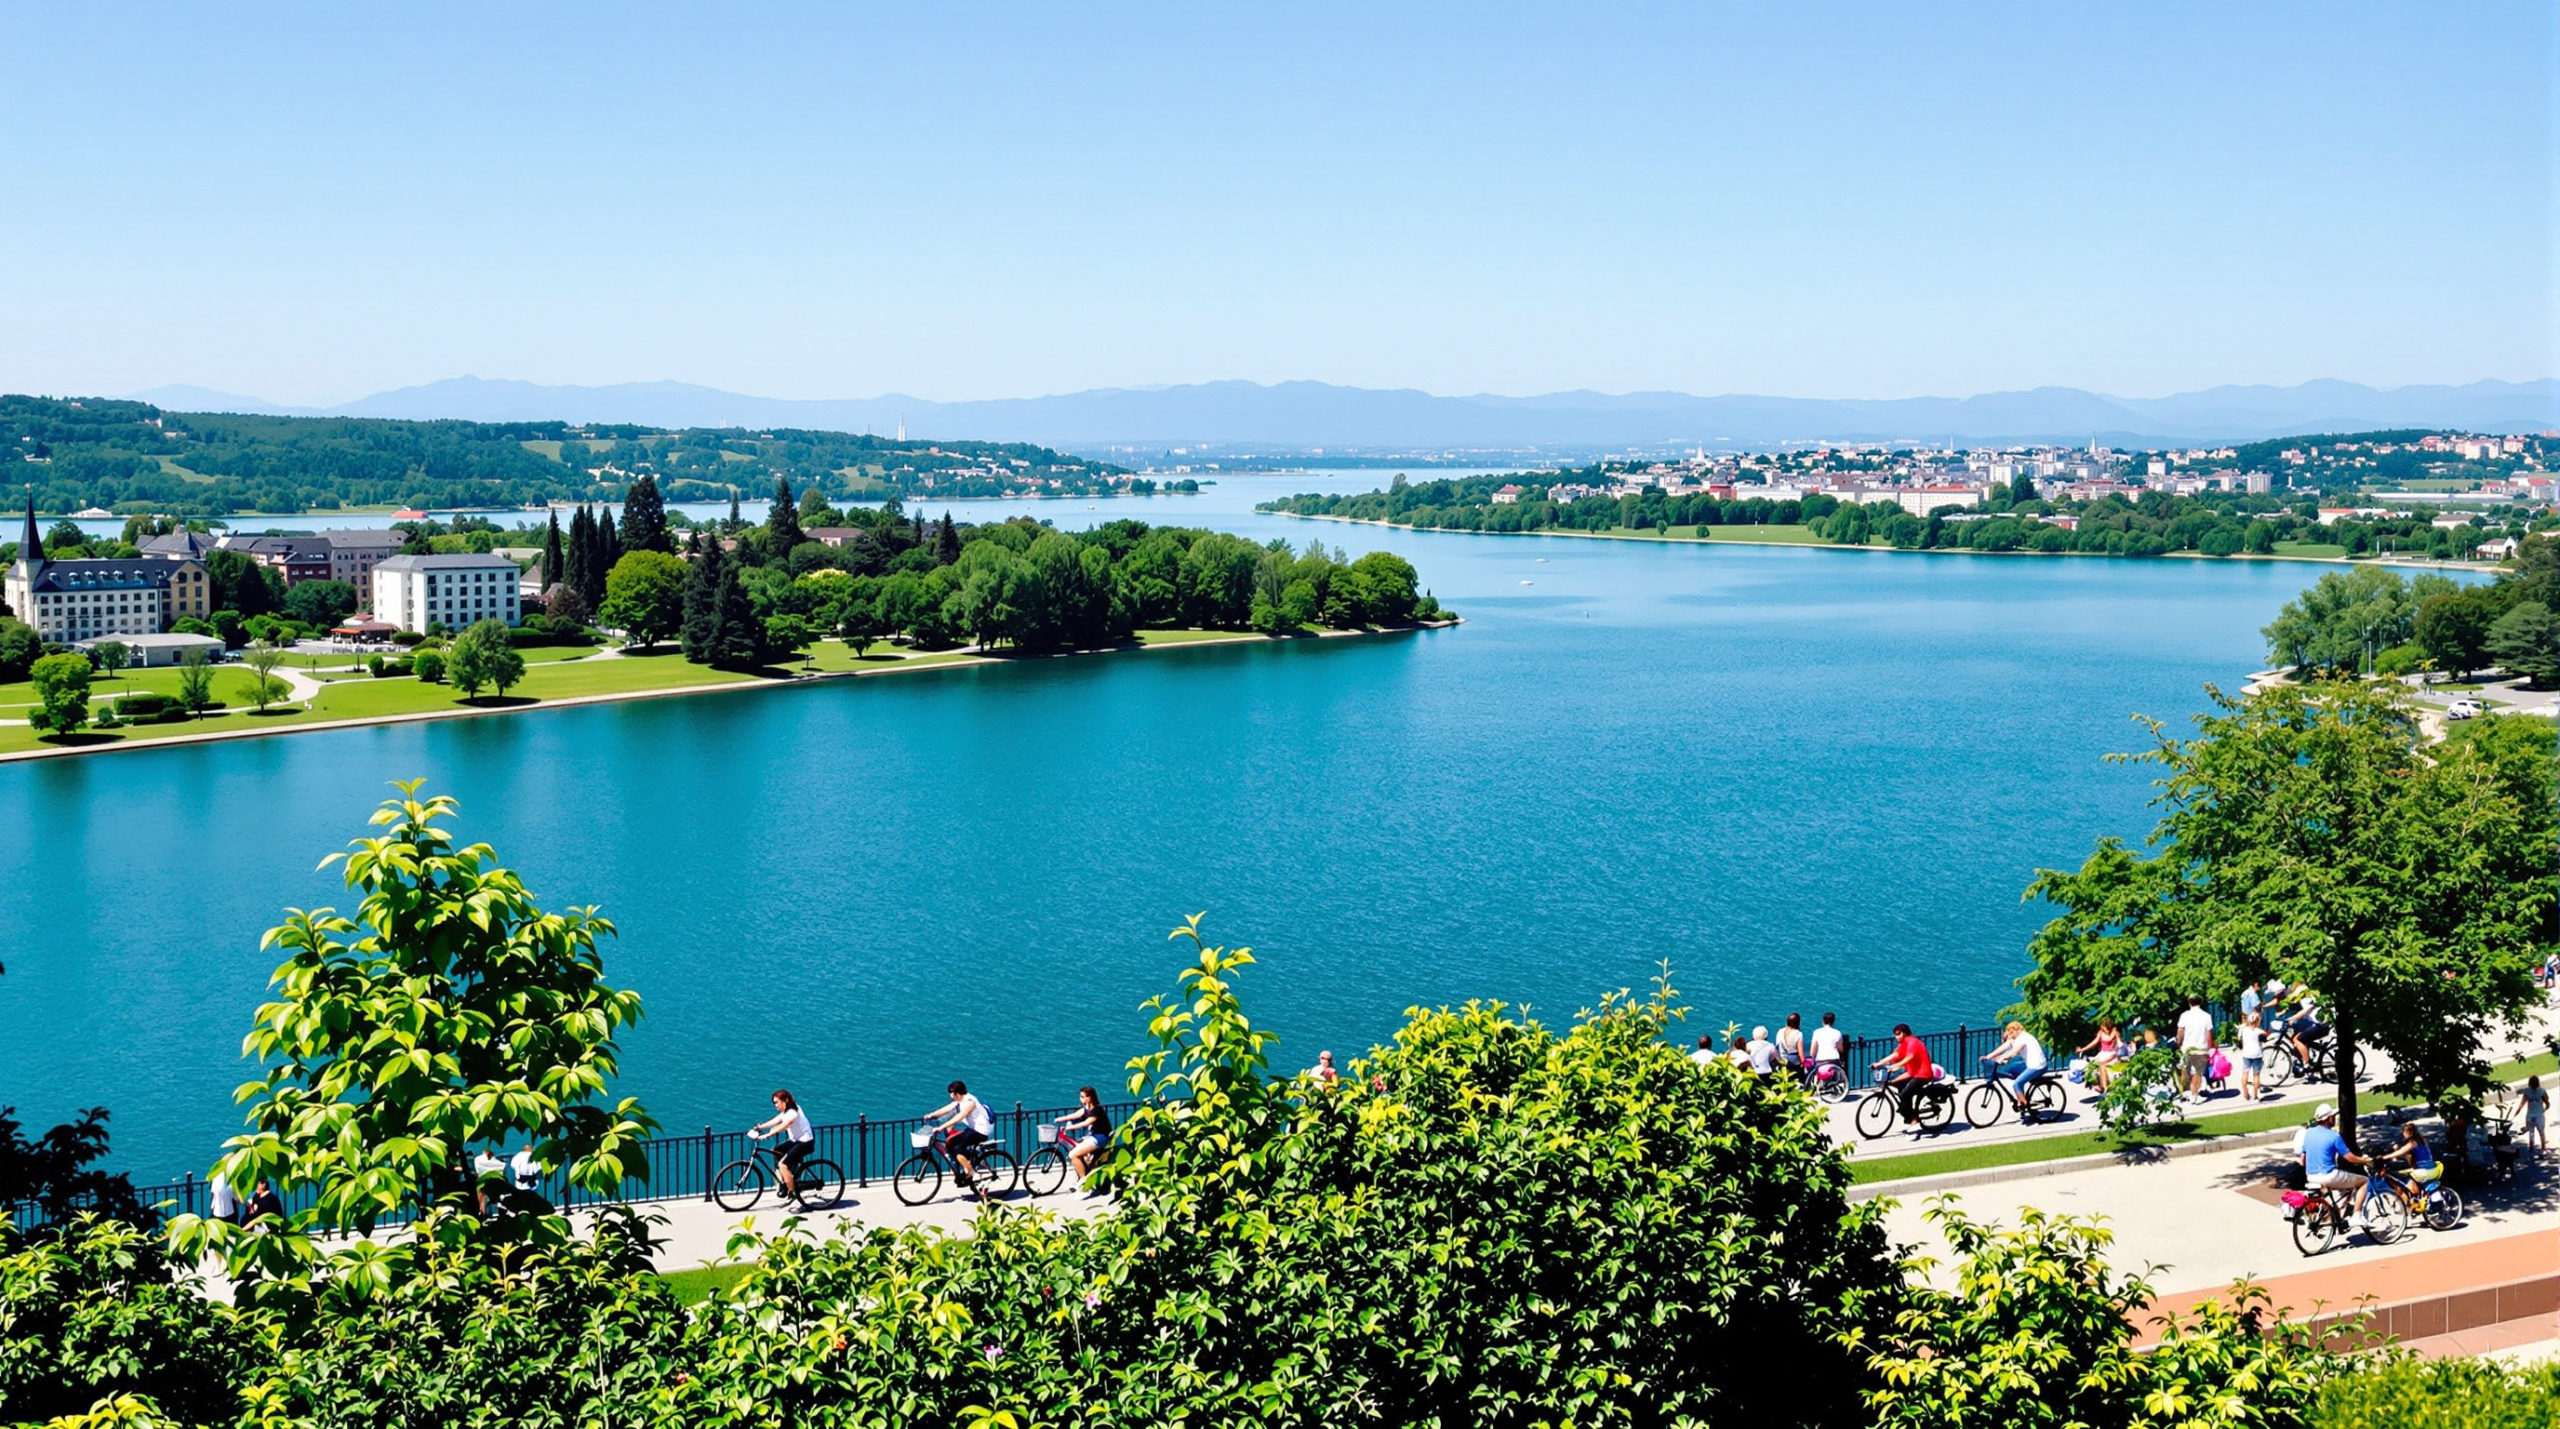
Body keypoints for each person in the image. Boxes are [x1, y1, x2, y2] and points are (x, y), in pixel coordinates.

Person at [2299, 1104, 2373, 1228]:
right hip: (2328, 1175)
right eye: (2333, 1116)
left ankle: (2336, 1215)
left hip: (2311, 1175)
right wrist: (2364, 1160)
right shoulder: (2334, 1136)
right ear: (2328, 1118)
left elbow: (2303, 1159)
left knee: (2343, 1187)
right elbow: (2349, 1157)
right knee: (2364, 1182)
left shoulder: (2309, 1133)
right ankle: (2356, 1215)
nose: (2335, 1118)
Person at [926, 1080, 998, 1194]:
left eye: (952, 1093)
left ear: (957, 1093)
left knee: (958, 1150)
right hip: (973, 1129)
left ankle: (970, 1173)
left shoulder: (970, 1102)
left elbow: (960, 1116)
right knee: (949, 1142)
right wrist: (931, 1115)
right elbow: (946, 1109)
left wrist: (941, 1127)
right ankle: (968, 1162)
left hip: (981, 1131)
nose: (951, 1096)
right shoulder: (960, 1101)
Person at [748, 1088, 816, 1201]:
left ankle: (792, 1191)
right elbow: (776, 1120)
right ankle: (787, 1179)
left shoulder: (793, 1112)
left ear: (785, 1100)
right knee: (776, 1150)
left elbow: (784, 1125)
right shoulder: (786, 1112)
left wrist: (768, 1135)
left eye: (776, 1102)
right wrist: (760, 1127)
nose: (775, 1105)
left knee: (782, 1164)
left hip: (805, 1142)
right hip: (796, 1140)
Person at [1054, 1085, 1112, 1191]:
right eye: (1080, 1097)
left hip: (1101, 1137)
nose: (1081, 1099)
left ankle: (1083, 1180)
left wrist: (1069, 1128)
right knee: (1078, 1150)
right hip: (1092, 1136)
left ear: (1090, 1097)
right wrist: (1060, 1119)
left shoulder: (1097, 1110)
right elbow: (1075, 1115)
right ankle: (1084, 1173)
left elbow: (1086, 1123)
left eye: (1083, 1097)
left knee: (1073, 1155)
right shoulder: (1086, 1109)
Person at [1981, 1020, 2047, 1112]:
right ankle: (2021, 1093)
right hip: (2029, 1064)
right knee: (2012, 1070)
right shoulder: (2016, 1038)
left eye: (2011, 1033)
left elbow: (2014, 1052)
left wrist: (2003, 1058)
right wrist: (1988, 1056)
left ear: (2016, 1030)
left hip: (2037, 1066)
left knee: (2017, 1083)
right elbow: (2004, 1047)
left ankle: (2024, 1105)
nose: (2010, 1036)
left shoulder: (2024, 1038)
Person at [1878, 1022, 1935, 1128]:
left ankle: (1914, 1119)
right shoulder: (1903, 1045)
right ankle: (1906, 1110)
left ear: (1905, 1033)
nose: (1897, 1037)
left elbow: (1909, 1057)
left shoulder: (1913, 1042)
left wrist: (1896, 1066)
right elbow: (1894, 1055)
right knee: (1896, 1083)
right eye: (1895, 1034)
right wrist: (1878, 1064)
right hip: (1912, 1073)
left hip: (1923, 1074)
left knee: (1905, 1095)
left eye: (1899, 1034)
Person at [2175, 996, 2216, 1101]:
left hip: (2187, 1047)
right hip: (2201, 1047)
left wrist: (2178, 1043)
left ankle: (2186, 1092)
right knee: (2197, 1072)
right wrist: (2210, 1046)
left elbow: (2180, 1031)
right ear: (2201, 1002)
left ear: (2189, 1003)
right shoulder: (2206, 1016)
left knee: (2186, 1070)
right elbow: (2209, 1033)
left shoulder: (2184, 1016)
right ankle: (2194, 1095)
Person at [2076, 1019, 2126, 1091]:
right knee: (2090, 1065)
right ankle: (2097, 1084)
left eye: (2103, 1026)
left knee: (2102, 1064)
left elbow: (2120, 1044)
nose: (2101, 1027)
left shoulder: (2115, 1033)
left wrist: (2121, 1048)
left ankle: (2104, 1088)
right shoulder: (2101, 1033)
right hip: (2103, 1053)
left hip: (2112, 1054)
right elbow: (2094, 1043)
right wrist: (2082, 1049)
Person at [1807, 1012, 1846, 1086]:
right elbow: (1840, 1049)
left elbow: (1812, 1051)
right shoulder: (1837, 1033)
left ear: (1823, 1021)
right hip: (1833, 1059)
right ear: (1833, 1021)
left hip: (1821, 1059)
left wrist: (1812, 1057)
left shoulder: (1817, 1032)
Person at [2236, 1011, 2265, 1103]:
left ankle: (2245, 1093)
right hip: (2257, 1054)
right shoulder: (2259, 1031)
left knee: (2245, 1073)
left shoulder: (2243, 1030)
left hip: (2247, 1054)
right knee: (2256, 1074)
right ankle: (2255, 1095)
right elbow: (2264, 1039)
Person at [2524, 1075, 2549, 1153]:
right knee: (2541, 1133)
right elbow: (2547, 1102)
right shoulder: (2541, 1091)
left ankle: (2531, 1147)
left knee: (2531, 1133)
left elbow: (2522, 1103)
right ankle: (2543, 1148)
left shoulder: (2527, 1091)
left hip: (2530, 1116)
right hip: (2539, 1116)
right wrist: (2543, 1110)